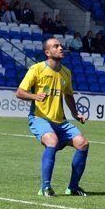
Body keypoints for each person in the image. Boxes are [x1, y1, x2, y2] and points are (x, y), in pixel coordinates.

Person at [15, 38, 88, 197]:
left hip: (60, 122)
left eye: (61, 45)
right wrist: (34, 96)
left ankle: (73, 187)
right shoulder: (37, 69)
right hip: (39, 118)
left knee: (83, 144)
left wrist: (75, 114)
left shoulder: (66, 72)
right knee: (52, 141)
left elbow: (68, 95)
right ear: (47, 52)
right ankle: (45, 187)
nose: (61, 48)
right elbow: (20, 92)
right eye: (56, 46)